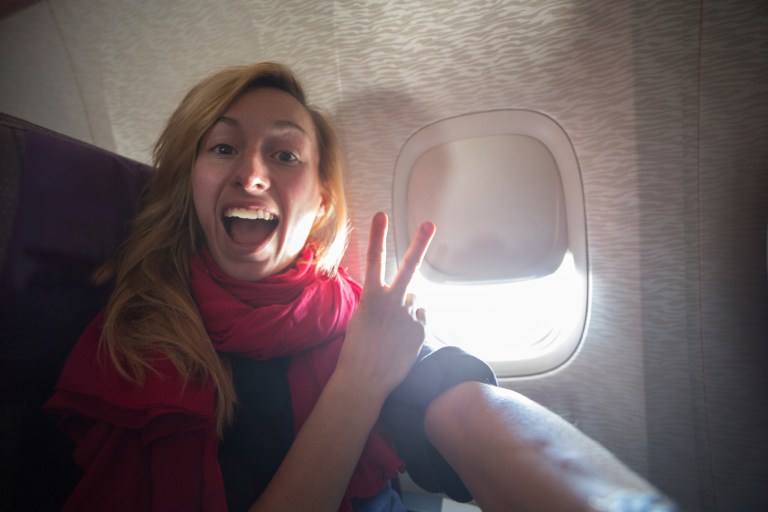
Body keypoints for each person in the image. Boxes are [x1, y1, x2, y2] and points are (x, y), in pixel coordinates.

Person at [45, 62, 676, 512]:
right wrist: (359, 381)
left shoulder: (358, 312)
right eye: (223, 148)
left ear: (321, 202)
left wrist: (615, 501)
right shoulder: (129, 344)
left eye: (285, 155)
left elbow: (462, 406)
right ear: (192, 181)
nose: (253, 175)